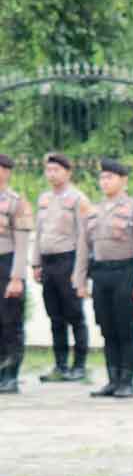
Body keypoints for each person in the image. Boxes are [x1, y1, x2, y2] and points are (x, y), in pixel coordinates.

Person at [72, 158, 133, 398]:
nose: (105, 181)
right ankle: (112, 379)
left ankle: (127, 381)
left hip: (126, 273)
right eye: (103, 177)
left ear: (123, 181)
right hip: (101, 274)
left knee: (125, 327)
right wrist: (79, 280)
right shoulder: (93, 210)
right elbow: (83, 247)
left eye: (110, 177)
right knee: (107, 328)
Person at [32, 152, 90, 382]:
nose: (52, 174)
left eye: (56, 170)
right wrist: (36, 262)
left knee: (74, 314)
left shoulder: (77, 199)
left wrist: (80, 271)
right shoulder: (44, 199)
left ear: (68, 172)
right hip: (48, 262)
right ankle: (60, 364)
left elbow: (84, 237)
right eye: (48, 170)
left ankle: (80, 365)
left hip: (69, 260)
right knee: (55, 316)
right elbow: (39, 233)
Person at [0, 154, 32, 393]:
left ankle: (10, 374)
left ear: (7, 172)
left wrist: (16, 277)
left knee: (10, 322)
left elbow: (22, 243)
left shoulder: (16, 202)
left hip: (7, 264)